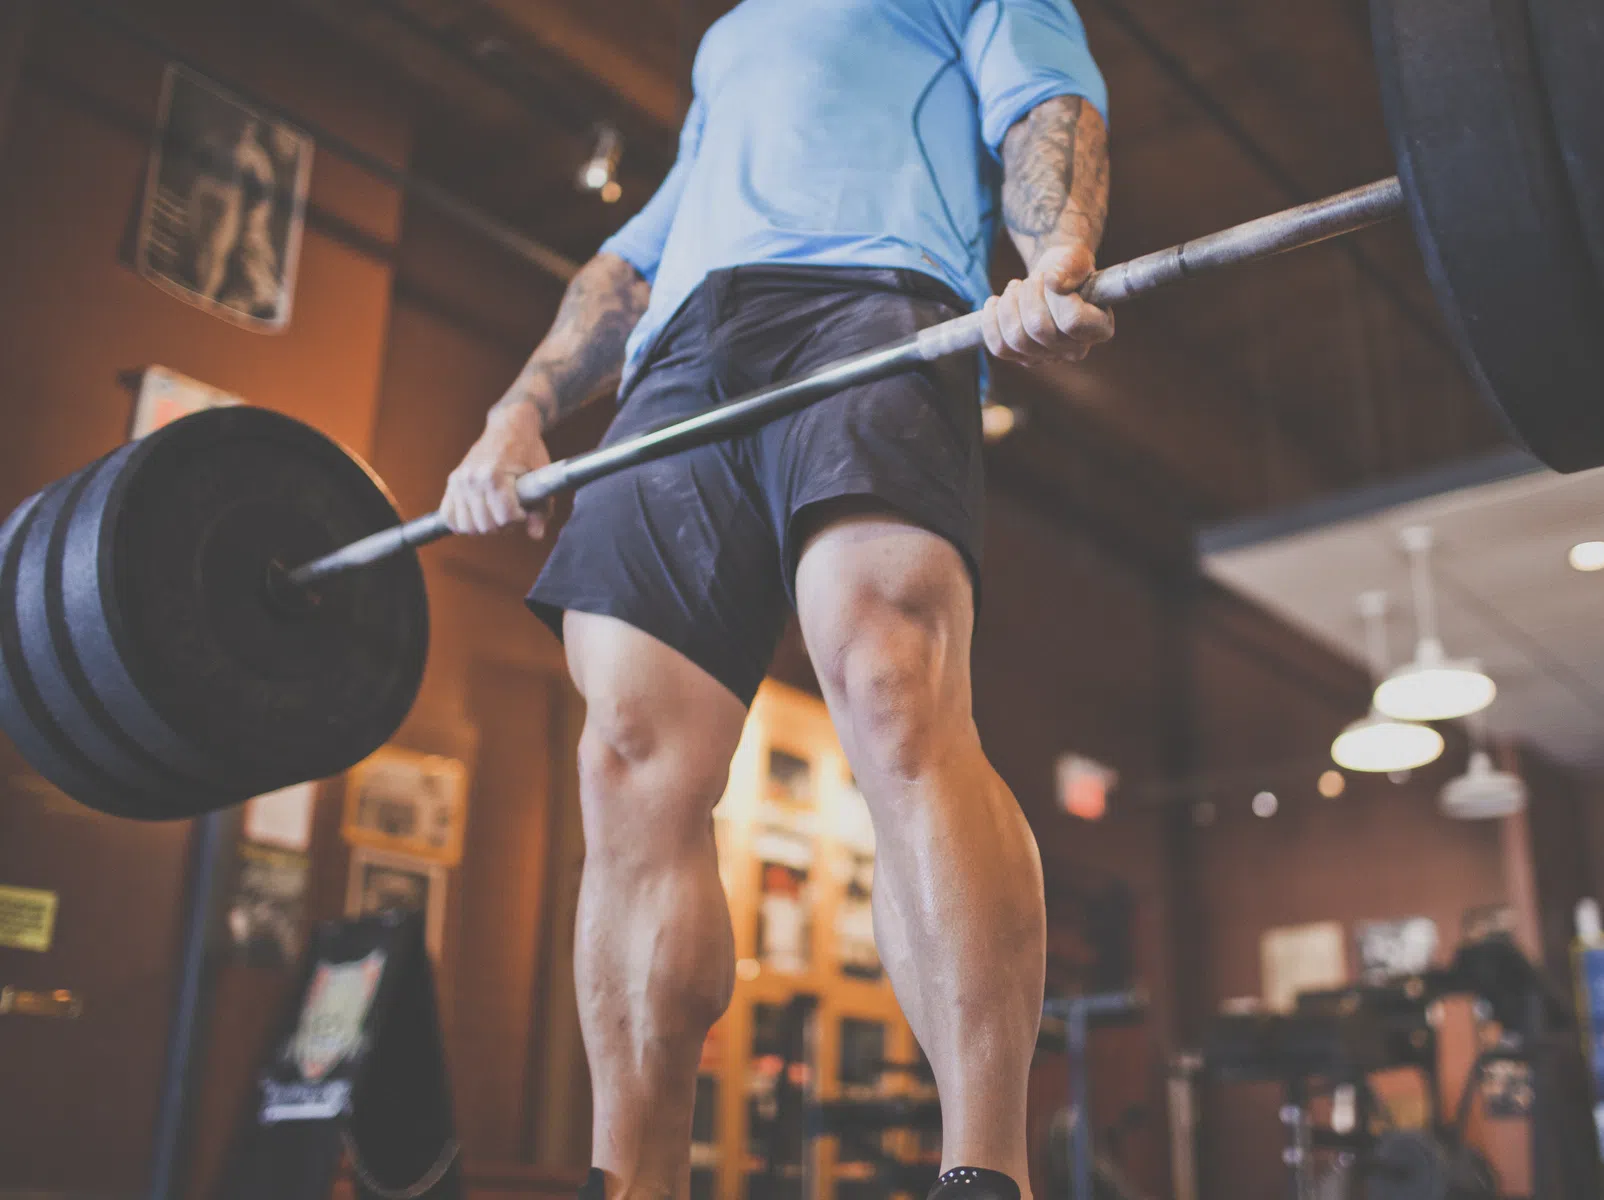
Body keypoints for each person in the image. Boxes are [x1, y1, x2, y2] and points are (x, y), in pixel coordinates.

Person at [440, 4, 1114, 1200]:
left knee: (887, 676)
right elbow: (634, 258)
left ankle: (985, 1172)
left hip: (871, 291)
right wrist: (519, 409)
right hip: (684, 360)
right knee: (626, 754)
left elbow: (1042, 105)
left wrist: (1053, 251)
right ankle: (633, 1180)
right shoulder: (729, 39)